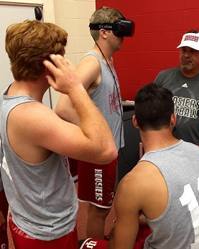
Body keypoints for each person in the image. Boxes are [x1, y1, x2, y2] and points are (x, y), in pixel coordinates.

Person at [0, 20, 117, 249]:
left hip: (30, 220)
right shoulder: (31, 116)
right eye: (61, 58)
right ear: (49, 65)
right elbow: (106, 150)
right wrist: (75, 87)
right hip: (48, 232)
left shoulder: (10, 96)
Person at [79, 83, 199, 249]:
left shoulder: (133, 183)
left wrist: (115, 230)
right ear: (173, 118)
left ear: (135, 121)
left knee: (86, 244)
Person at [55, 7, 134, 239]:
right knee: (99, 210)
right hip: (98, 152)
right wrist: (94, 131)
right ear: (104, 33)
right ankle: (94, 244)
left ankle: (96, 242)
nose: (124, 36)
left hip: (107, 151)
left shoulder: (107, 61)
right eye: (119, 29)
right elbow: (63, 107)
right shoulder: (93, 63)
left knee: (104, 207)